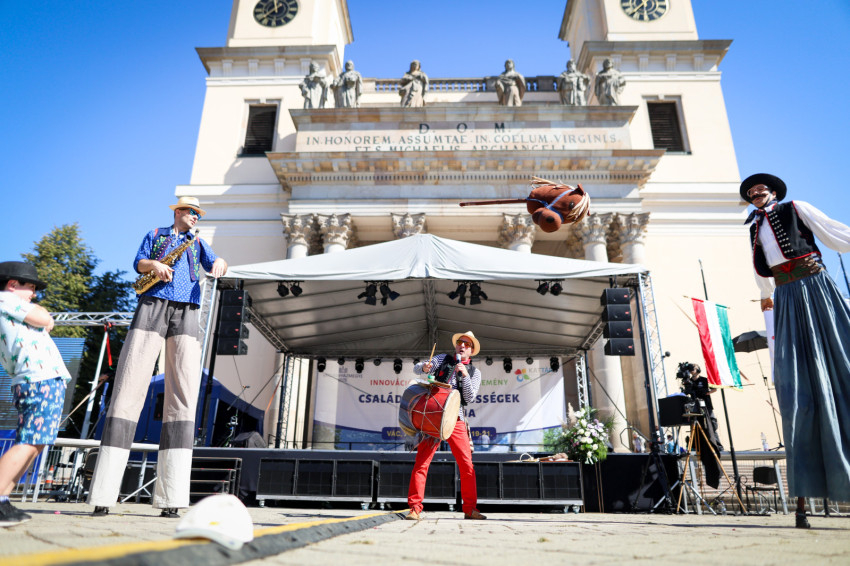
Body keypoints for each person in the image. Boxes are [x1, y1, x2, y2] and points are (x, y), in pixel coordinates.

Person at [88, 196, 227, 518]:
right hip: (153, 301)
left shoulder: (198, 242)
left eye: (198, 213)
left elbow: (214, 264)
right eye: (191, 212)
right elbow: (139, 263)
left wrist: (220, 262)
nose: (196, 217)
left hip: (187, 307)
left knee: (184, 393)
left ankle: (171, 499)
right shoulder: (156, 234)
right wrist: (155, 265)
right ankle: (103, 495)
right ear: (178, 212)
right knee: (129, 385)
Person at [742, 172, 850, 528]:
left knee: (841, 357)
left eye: (760, 189)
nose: (755, 193)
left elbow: (832, 232)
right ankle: (804, 500)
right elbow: (762, 271)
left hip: (814, 284)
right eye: (750, 192)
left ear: (773, 192)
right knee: (795, 380)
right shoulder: (753, 228)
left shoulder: (795, 208)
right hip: (786, 294)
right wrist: (765, 296)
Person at [0, 261, 71, 526]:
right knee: (30, 440)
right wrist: (45, 317)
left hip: (42, 379)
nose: (33, 294)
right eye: (30, 287)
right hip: (37, 379)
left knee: (36, 441)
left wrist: (43, 316)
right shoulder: (5, 299)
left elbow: (41, 316)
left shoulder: (11, 304)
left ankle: (3, 500)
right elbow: (43, 318)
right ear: (11, 284)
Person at [407, 331, 486, 521]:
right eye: (460, 342)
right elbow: (418, 369)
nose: (462, 346)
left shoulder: (475, 372)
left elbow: (469, 398)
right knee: (422, 462)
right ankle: (415, 508)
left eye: (467, 344)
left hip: (455, 418)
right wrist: (424, 367)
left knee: (466, 465)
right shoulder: (443, 358)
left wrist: (464, 375)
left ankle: (470, 509)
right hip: (433, 416)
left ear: (472, 350)